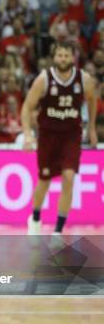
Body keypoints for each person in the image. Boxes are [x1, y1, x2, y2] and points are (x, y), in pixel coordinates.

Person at [22, 42, 97, 237]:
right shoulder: (44, 79)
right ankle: (36, 218)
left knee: (69, 178)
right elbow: (27, 107)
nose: (63, 59)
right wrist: (28, 135)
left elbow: (92, 100)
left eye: (66, 55)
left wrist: (92, 128)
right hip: (49, 135)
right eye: (60, 55)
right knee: (44, 181)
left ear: (73, 58)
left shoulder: (84, 79)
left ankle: (58, 230)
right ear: (54, 58)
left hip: (71, 134)